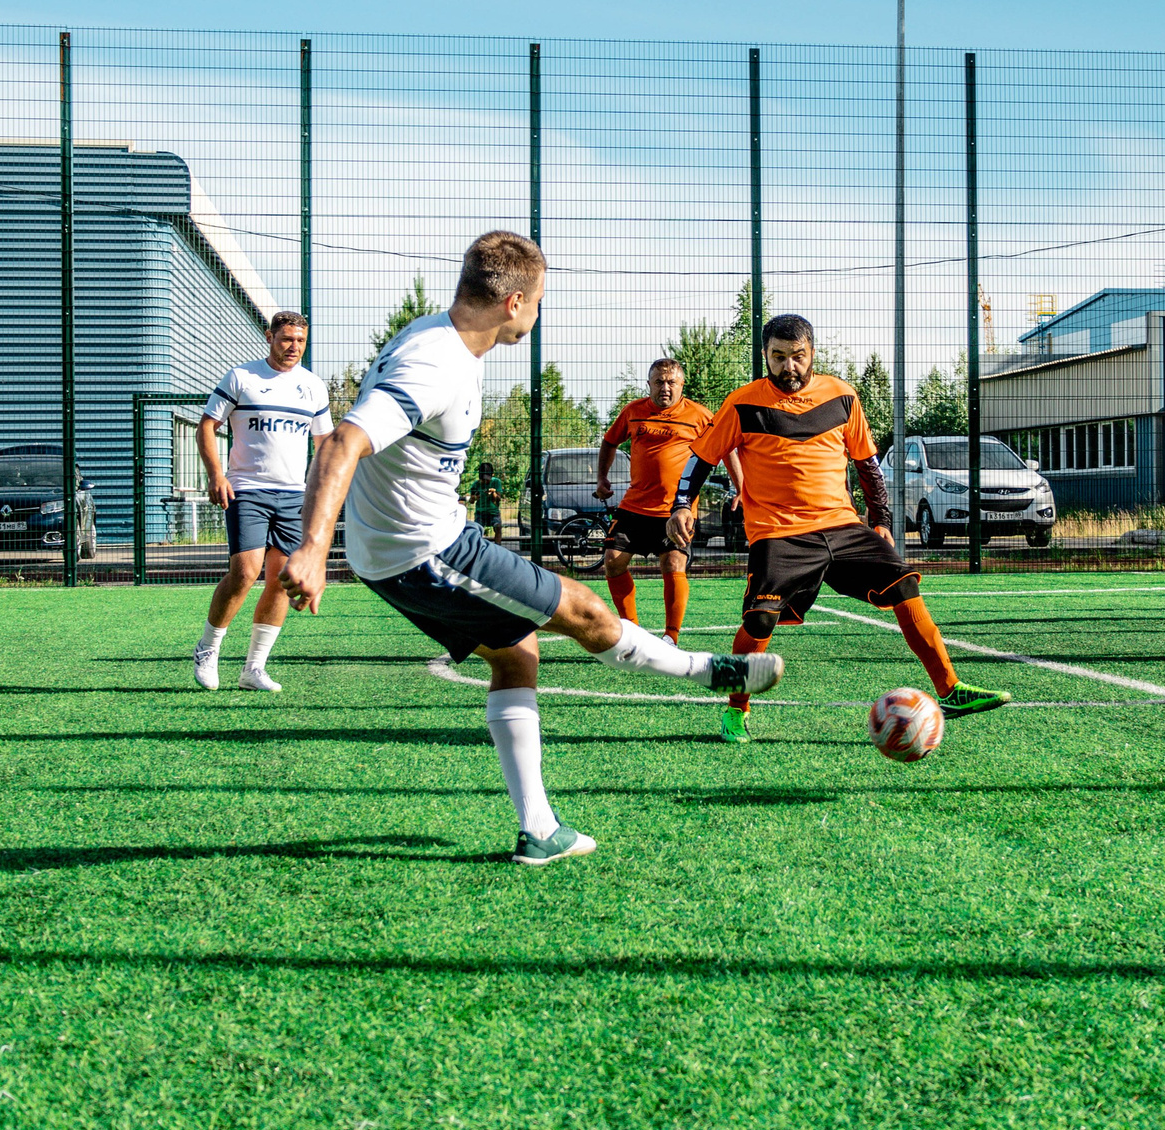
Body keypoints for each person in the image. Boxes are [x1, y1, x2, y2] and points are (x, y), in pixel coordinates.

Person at [282, 230, 783, 866]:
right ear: (515, 302)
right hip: (425, 552)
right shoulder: (435, 363)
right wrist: (311, 548)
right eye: (541, 302)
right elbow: (340, 443)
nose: (540, 315)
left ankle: (538, 829)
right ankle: (714, 674)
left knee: (517, 654)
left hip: (416, 543)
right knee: (587, 613)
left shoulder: (434, 333)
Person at [668, 314, 1010, 745]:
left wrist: (881, 521)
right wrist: (682, 504)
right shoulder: (742, 403)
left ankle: (950, 690)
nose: (788, 366)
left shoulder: (843, 396)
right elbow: (701, 458)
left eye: (797, 356)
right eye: (778, 357)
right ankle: (736, 711)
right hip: (778, 533)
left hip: (842, 526)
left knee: (904, 586)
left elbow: (867, 463)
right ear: (765, 357)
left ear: (812, 354)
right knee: (758, 620)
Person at [192, 310, 333, 692]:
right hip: (246, 490)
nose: (294, 347)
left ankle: (253, 669)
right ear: (269, 337)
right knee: (244, 572)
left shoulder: (313, 387)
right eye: (286, 338)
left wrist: (321, 494)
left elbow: (324, 446)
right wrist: (216, 475)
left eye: (301, 340)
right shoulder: (242, 377)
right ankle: (208, 648)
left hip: (292, 496)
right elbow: (207, 425)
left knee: (281, 581)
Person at [595, 358, 739, 645]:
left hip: (678, 510)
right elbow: (610, 441)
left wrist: (740, 487)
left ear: (681, 385)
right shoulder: (633, 412)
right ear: (649, 384)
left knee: (673, 564)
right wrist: (602, 478)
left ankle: (670, 637)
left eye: (671, 381)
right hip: (634, 506)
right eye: (659, 381)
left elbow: (726, 447)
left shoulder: (699, 415)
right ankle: (631, 632)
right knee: (613, 562)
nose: (665, 387)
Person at [470, 460, 505, 540]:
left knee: (498, 527)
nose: (486, 481)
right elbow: (471, 501)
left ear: (492, 475)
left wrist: (494, 493)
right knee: (477, 530)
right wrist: (474, 497)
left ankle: (498, 546)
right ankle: (478, 546)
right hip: (480, 512)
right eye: (483, 480)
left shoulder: (496, 482)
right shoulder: (476, 484)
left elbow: (498, 499)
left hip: (493, 512)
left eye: (488, 479)